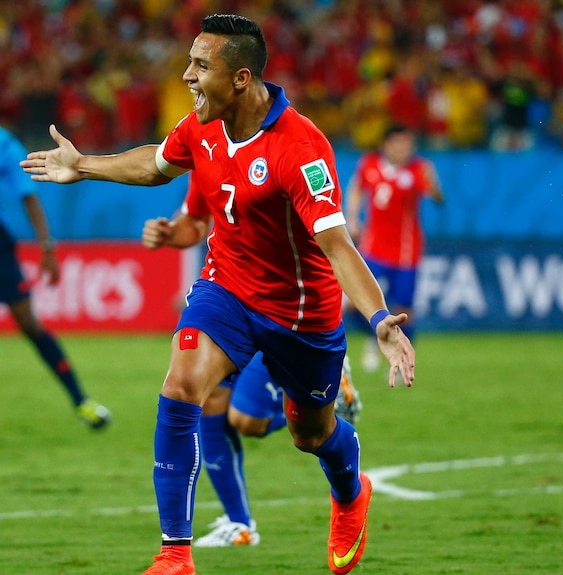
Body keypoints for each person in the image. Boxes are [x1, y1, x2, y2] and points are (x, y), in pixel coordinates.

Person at [23, 14, 414, 575]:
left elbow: (337, 245)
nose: (186, 75)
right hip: (226, 289)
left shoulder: (300, 149)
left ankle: (350, 490)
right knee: (182, 386)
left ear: (240, 79)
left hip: (299, 312)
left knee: (311, 434)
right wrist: (82, 165)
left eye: (200, 66)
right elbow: (157, 164)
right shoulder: (204, 124)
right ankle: (175, 554)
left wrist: (378, 317)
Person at [141, 180, 362, 548]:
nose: (199, 117)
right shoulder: (208, 145)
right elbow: (194, 222)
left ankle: (326, 395)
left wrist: (374, 314)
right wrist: (168, 233)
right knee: (204, 398)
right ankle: (239, 524)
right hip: (231, 303)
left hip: (284, 316)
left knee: (255, 423)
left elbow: (332, 241)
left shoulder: (288, 154)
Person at [0, 124, 111, 430]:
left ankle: (80, 400)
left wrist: (47, 247)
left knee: (29, 324)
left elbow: (28, 195)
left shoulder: (3, 142)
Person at [345, 124, 443, 372]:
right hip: (373, 248)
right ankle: (375, 335)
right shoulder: (369, 164)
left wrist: (435, 186)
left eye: (408, 144)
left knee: (403, 311)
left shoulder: (419, 169)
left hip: (405, 253)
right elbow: (357, 188)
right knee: (353, 304)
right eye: (399, 144)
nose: (404, 149)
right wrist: (354, 218)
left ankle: (405, 360)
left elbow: (438, 198)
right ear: (385, 145)